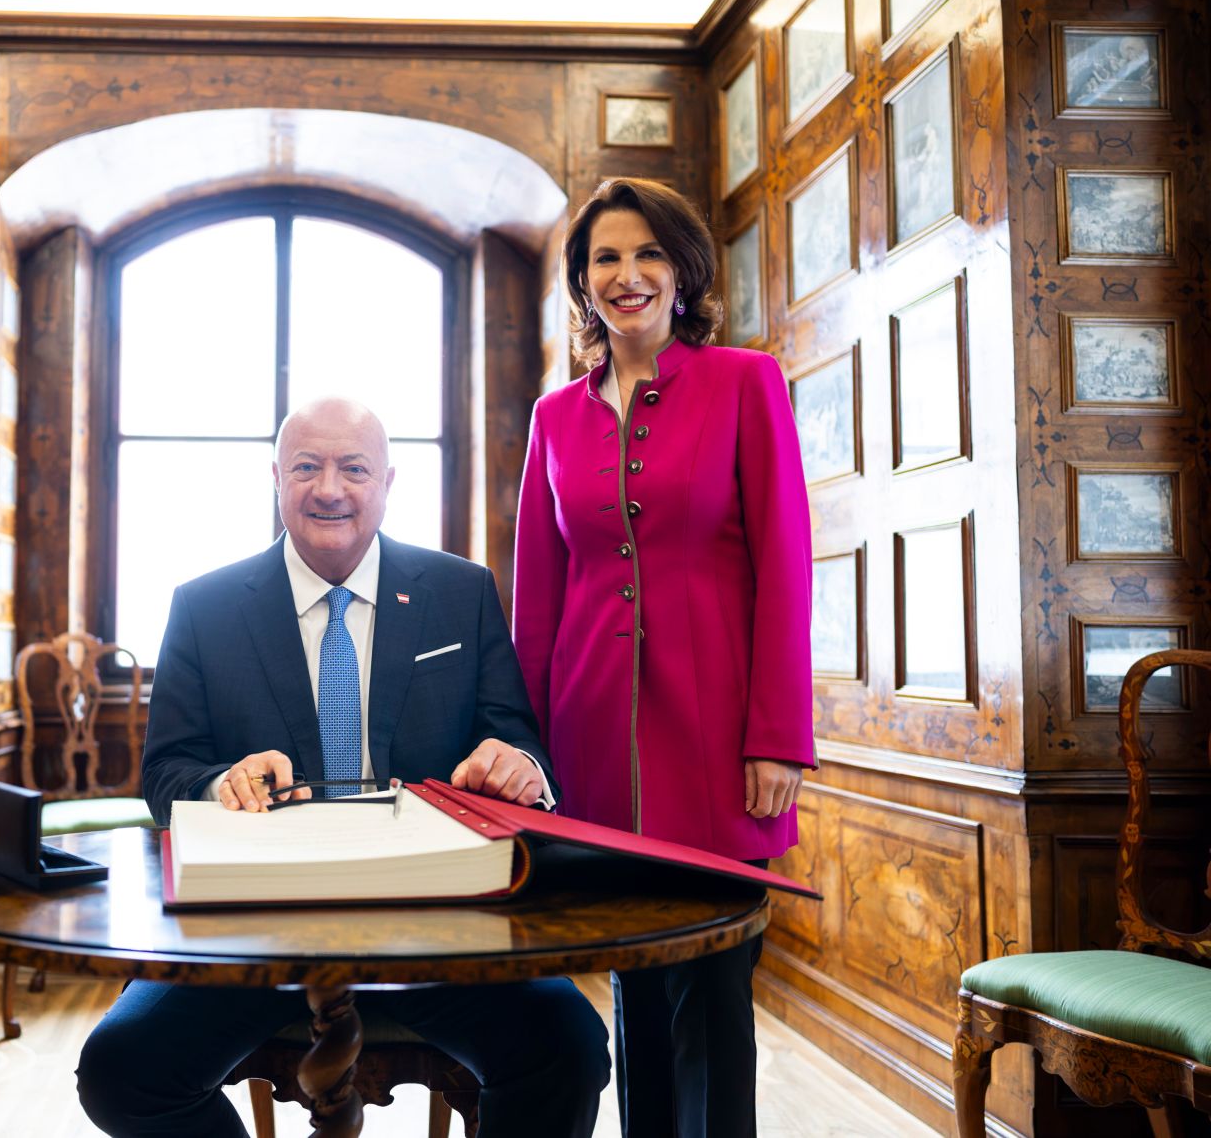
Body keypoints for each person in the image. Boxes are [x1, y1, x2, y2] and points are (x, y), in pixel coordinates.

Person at [77, 396, 610, 1138]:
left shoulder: (462, 593)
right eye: (306, 467)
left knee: (572, 1048)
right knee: (119, 1069)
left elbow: (516, 741)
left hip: (438, 934)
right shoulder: (203, 606)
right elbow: (166, 777)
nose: (329, 487)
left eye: (353, 468)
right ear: (275, 478)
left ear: (388, 481)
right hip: (252, 937)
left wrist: (517, 765)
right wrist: (217, 782)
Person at [513, 177, 816, 1137]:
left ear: (683, 272)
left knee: (715, 1001)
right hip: (591, 745)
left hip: (723, 743)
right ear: (583, 282)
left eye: (647, 255)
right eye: (605, 257)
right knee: (634, 996)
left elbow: (786, 563)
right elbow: (537, 599)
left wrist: (778, 739)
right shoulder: (553, 419)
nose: (627, 274)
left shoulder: (744, 382)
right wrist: (523, 755)